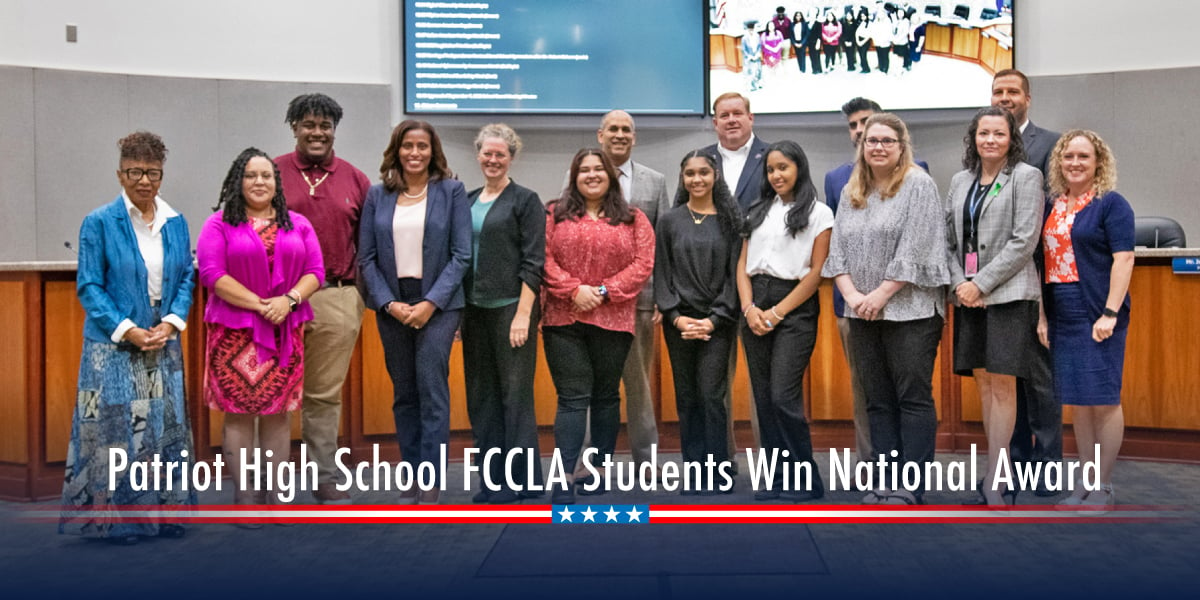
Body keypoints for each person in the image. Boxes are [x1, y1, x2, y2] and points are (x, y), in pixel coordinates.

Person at [60, 131, 195, 545]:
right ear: (120, 174)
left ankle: (167, 516)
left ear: (161, 175)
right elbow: (89, 286)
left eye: (152, 173)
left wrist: (171, 321)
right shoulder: (99, 222)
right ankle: (119, 522)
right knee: (117, 431)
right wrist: (128, 329)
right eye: (135, 171)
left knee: (164, 428)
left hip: (162, 339)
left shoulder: (175, 222)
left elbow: (187, 276)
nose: (144, 180)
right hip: (113, 345)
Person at [822, 113, 950, 505]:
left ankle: (910, 486)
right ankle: (886, 478)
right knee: (876, 398)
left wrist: (879, 294)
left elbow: (918, 247)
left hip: (910, 310)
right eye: (871, 141)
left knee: (911, 396)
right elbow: (837, 249)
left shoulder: (918, 185)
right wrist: (852, 294)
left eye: (886, 141)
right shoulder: (851, 190)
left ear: (901, 146)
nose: (877, 147)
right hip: (861, 311)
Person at [197, 147, 324, 520]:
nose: (259, 182)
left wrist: (289, 301)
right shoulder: (219, 224)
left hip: (285, 331)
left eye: (266, 175)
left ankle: (276, 496)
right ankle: (246, 499)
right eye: (251, 175)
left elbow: (316, 271)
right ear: (239, 181)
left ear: (276, 182)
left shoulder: (296, 223)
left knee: (278, 413)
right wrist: (261, 305)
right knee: (237, 414)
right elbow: (212, 274)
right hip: (234, 335)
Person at [359, 120, 471, 505]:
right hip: (391, 302)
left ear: (432, 150)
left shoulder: (451, 191)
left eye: (422, 146)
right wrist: (388, 303)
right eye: (408, 146)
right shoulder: (377, 196)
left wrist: (430, 303)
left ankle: (431, 476)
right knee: (404, 392)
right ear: (397, 150)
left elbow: (461, 255)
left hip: (438, 304)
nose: (415, 153)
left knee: (431, 388)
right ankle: (410, 473)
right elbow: (367, 258)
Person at [945, 107, 1044, 506]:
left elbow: (1024, 241)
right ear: (973, 138)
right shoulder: (959, 180)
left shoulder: (1025, 177)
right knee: (985, 385)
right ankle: (993, 472)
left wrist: (981, 284)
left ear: (1011, 139)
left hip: (1007, 296)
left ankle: (998, 480)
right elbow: (946, 240)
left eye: (998, 134)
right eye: (983, 133)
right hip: (967, 296)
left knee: (1003, 386)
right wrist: (960, 284)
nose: (990, 140)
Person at [275, 93, 371, 505]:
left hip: (335, 296)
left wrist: (361, 300)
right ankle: (266, 480)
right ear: (294, 126)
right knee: (272, 391)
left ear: (334, 130)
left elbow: (370, 245)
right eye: (308, 124)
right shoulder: (270, 172)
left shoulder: (355, 179)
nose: (317, 132)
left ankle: (324, 475)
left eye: (325, 126)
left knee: (323, 395)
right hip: (275, 302)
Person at [543, 149, 654, 505]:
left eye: (598, 170)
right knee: (572, 397)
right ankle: (564, 475)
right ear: (574, 176)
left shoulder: (634, 218)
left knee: (606, 395)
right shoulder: (552, 213)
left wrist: (603, 292)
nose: (592, 175)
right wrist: (574, 289)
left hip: (614, 317)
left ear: (611, 176)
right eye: (584, 170)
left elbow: (643, 263)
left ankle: (598, 469)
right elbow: (541, 258)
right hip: (564, 317)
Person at [1041, 130, 1134, 511]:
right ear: (1059, 162)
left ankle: (1104, 487)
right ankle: (1084, 484)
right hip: (1062, 311)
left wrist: (1110, 312)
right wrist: (1043, 316)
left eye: (1083, 156)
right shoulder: (1053, 205)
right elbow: (1042, 262)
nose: (1075, 163)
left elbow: (1123, 259)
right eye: (1068, 156)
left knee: (1104, 399)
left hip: (1097, 309)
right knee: (1079, 401)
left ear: (1098, 162)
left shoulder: (1111, 204)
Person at [738, 140, 833, 502]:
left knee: (783, 396)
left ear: (799, 168)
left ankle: (807, 479)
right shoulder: (758, 209)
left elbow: (816, 272)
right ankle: (778, 478)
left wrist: (778, 313)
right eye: (771, 169)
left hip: (793, 307)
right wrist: (749, 309)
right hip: (755, 305)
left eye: (783, 168)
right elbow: (742, 265)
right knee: (763, 398)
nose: (776, 175)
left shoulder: (819, 212)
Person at [578, 111, 670, 483]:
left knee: (638, 383)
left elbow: (662, 243)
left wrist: (663, 296)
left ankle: (645, 460)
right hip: (589, 304)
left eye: (626, 130)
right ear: (600, 135)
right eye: (612, 129)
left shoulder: (654, 181)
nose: (619, 135)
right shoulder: (582, 175)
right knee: (592, 382)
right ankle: (590, 459)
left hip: (640, 301)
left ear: (634, 137)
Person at [463, 124, 545, 504]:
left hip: (512, 309)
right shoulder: (466, 200)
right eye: (487, 153)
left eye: (500, 154)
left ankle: (522, 482)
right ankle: (492, 482)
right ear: (478, 155)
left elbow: (533, 263)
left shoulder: (525, 201)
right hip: (474, 313)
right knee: (481, 398)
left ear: (511, 157)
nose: (493, 160)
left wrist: (523, 316)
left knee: (515, 398)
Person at [991, 68, 1062, 497]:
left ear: (1027, 98)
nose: (1004, 98)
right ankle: (1015, 466)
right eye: (997, 91)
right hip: (998, 281)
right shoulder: (984, 143)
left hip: (1039, 274)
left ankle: (1047, 468)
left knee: (1040, 379)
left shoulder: (1049, 144)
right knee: (1007, 376)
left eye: (1012, 91)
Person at [655, 151, 742, 494]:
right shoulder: (669, 221)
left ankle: (718, 470)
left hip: (716, 325)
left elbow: (734, 277)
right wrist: (676, 317)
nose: (696, 179)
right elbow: (662, 272)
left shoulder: (731, 222)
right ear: (682, 178)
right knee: (687, 398)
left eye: (703, 172)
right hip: (678, 324)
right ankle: (694, 471)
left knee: (711, 396)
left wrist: (714, 320)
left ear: (715, 176)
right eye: (689, 173)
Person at [702, 91, 770, 458]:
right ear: (714, 122)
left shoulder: (772, 157)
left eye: (737, 113)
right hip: (708, 285)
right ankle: (720, 462)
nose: (731, 120)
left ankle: (771, 465)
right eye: (723, 115)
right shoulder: (700, 160)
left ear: (750, 117)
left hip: (761, 283)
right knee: (715, 384)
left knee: (765, 384)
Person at [740, 22, 763, 91]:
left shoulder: (757, 36)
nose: (751, 32)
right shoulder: (744, 38)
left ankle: (758, 84)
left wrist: (757, 54)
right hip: (749, 58)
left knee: (758, 71)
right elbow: (744, 50)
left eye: (752, 30)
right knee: (750, 72)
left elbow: (759, 46)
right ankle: (751, 86)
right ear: (747, 30)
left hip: (756, 56)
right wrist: (750, 56)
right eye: (749, 30)